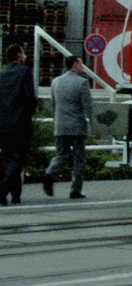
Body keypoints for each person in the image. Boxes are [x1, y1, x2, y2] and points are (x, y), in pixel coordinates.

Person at [42, 55, 93, 200]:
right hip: (77, 127)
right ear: (75, 64)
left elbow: (53, 104)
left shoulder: (55, 82)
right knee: (79, 159)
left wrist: (57, 119)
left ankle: (49, 174)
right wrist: (89, 122)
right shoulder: (82, 82)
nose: (82, 66)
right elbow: (87, 107)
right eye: (81, 63)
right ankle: (75, 190)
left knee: (61, 155)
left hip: (60, 125)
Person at [0, 45, 37, 206]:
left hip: (2, 124)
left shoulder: (1, 74)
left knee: (7, 159)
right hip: (20, 123)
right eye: (23, 53)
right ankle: (2, 190)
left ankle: (16, 195)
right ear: (18, 56)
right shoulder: (25, 72)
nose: (25, 56)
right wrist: (29, 114)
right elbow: (30, 99)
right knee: (17, 159)